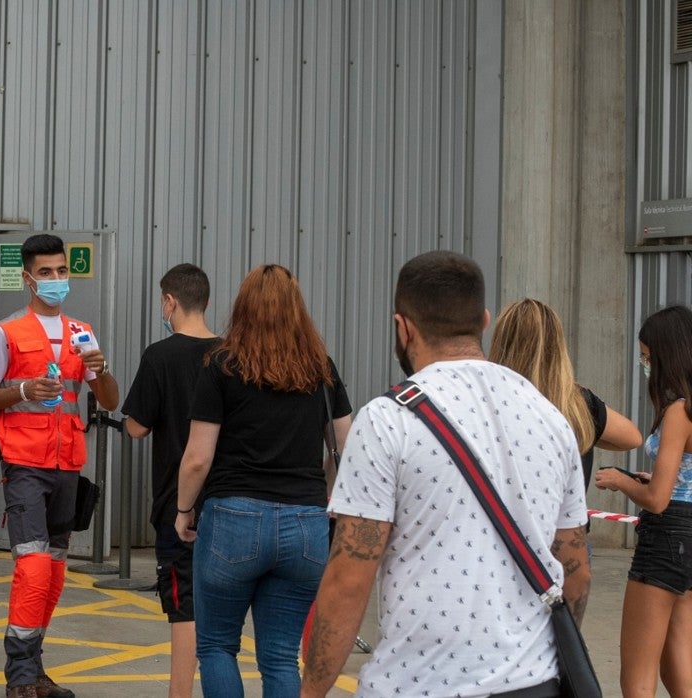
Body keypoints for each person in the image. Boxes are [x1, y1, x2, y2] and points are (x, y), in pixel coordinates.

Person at [300, 251, 591, 698]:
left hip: (419, 685)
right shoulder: (550, 418)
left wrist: (311, 691)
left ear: (403, 328)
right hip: (533, 684)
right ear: (485, 320)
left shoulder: (385, 421)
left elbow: (348, 581)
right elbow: (576, 571)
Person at [172, 264, 351, 697]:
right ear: (297, 310)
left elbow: (198, 457)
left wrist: (182, 511)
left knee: (216, 646)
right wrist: (320, 491)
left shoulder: (220, 366)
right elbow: (346, 449)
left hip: (233, 518)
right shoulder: (320, 370)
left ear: (242, 307)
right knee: (279, 655)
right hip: (306, 524)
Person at [0, 233, 120, 698]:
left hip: (66, 465)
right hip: (24, 464)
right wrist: (22, 392)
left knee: (54, 574)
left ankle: (35, 670)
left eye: (62, 271)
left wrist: (100, 370)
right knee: (34, 568)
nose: (57, 280)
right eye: (47, 272)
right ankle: (19, 676)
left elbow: (111, 400)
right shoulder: (6, 332)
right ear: (27, 278)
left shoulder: (82, 333)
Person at [121, 263, 218, 698]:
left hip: (179, 504)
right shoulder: (231, 354)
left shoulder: (159, 356)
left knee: (184, 609)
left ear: (170, 302)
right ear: (207, 301)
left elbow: (137, 427)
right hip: (230, 498)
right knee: (224, 609)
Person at [595, 304, 692, 697]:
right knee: (679, 669)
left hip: (665, 540)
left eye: (648, 357)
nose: (645, 365)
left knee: (637, 676)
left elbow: (655, 500)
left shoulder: (677, 410)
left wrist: (620, 480)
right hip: (688, 538)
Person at [489, 298, 642, 510]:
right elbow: (631, 438)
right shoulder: (577, 404)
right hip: (567, 534)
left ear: (501, 342)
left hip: (501, 532)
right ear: (557, 345)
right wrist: (584, 432)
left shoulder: (485, 399)